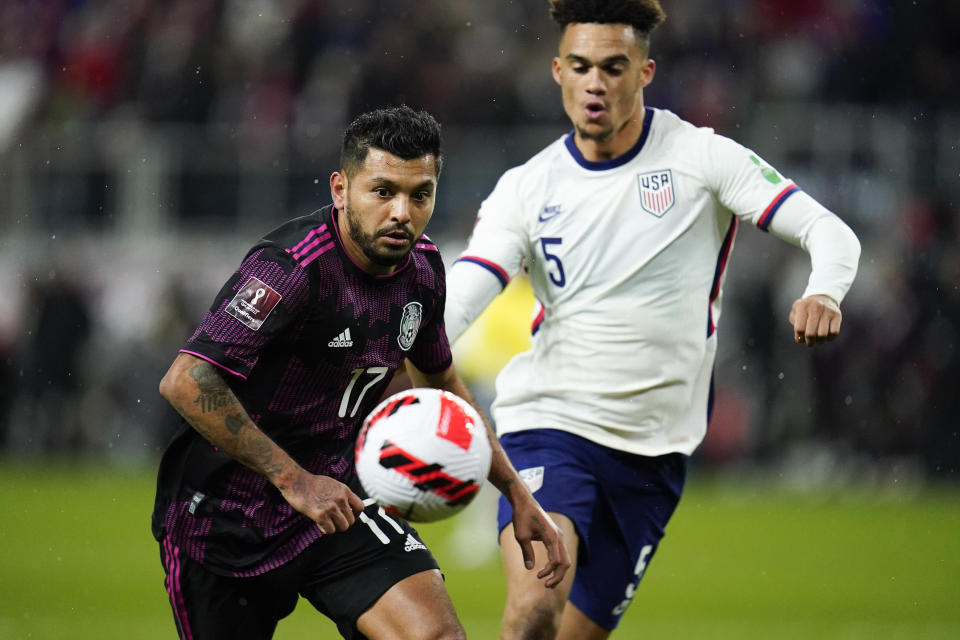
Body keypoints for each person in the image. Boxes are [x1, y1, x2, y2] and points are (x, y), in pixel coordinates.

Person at [443, 2, 861, 639]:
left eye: (614, 67)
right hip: (549, 424)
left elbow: (828, 231)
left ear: (645, 72)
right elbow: (470, 287)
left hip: (654, 454)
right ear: (557, 71)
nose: (595, 84)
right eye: (580, 67)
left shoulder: (701, 158)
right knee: (532, 615)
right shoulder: (524, 188)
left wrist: (825, 292)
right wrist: (403, 347)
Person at [151, 105, 569, 640]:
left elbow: (441, 383)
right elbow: (186, 381)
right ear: (340, 189)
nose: (402, 212)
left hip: (341, 504)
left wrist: (516, 493)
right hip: (225, 519)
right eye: (382, 191)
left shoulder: (422, 270)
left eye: (420, 194)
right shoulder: (290, 268)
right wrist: (294, 480)